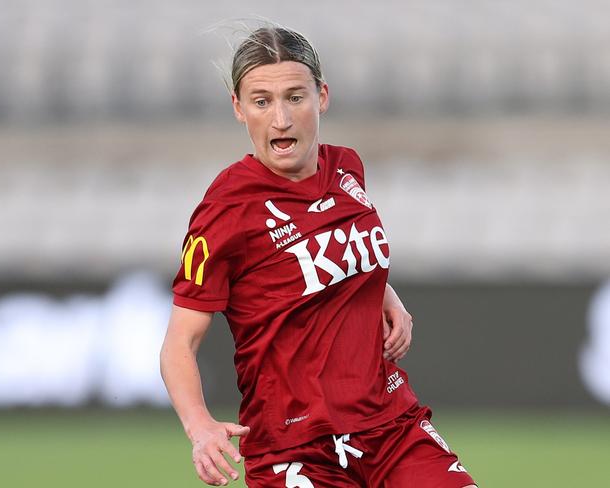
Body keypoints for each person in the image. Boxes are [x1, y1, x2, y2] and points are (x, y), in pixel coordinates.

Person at [161, 25, 477, 488]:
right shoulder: (226, 210)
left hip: (390, 427)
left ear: (322, 96)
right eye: (261, 101)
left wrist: (385, 295)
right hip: (295, 449)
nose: (281, 119)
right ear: (238, 108)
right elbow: (178, 344)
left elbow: (328, 258)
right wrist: (200, 427)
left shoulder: (346, 167)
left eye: (295, 97)